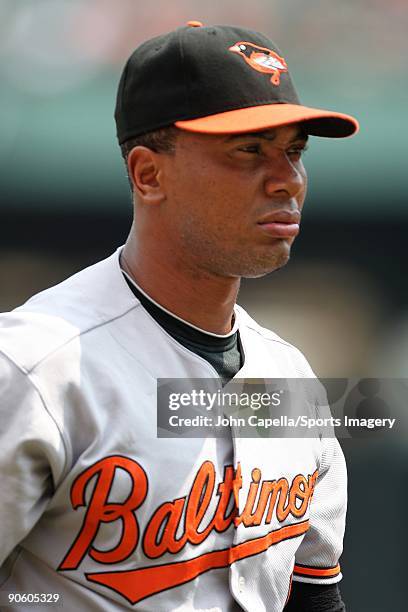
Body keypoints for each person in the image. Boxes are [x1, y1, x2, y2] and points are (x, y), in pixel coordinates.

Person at [0, 22, 358, 612]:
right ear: (149, 174)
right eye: (249, 151)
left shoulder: (290, 379)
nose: (287, 179)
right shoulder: (36, 369)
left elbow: (315, 596)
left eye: (294, 150)